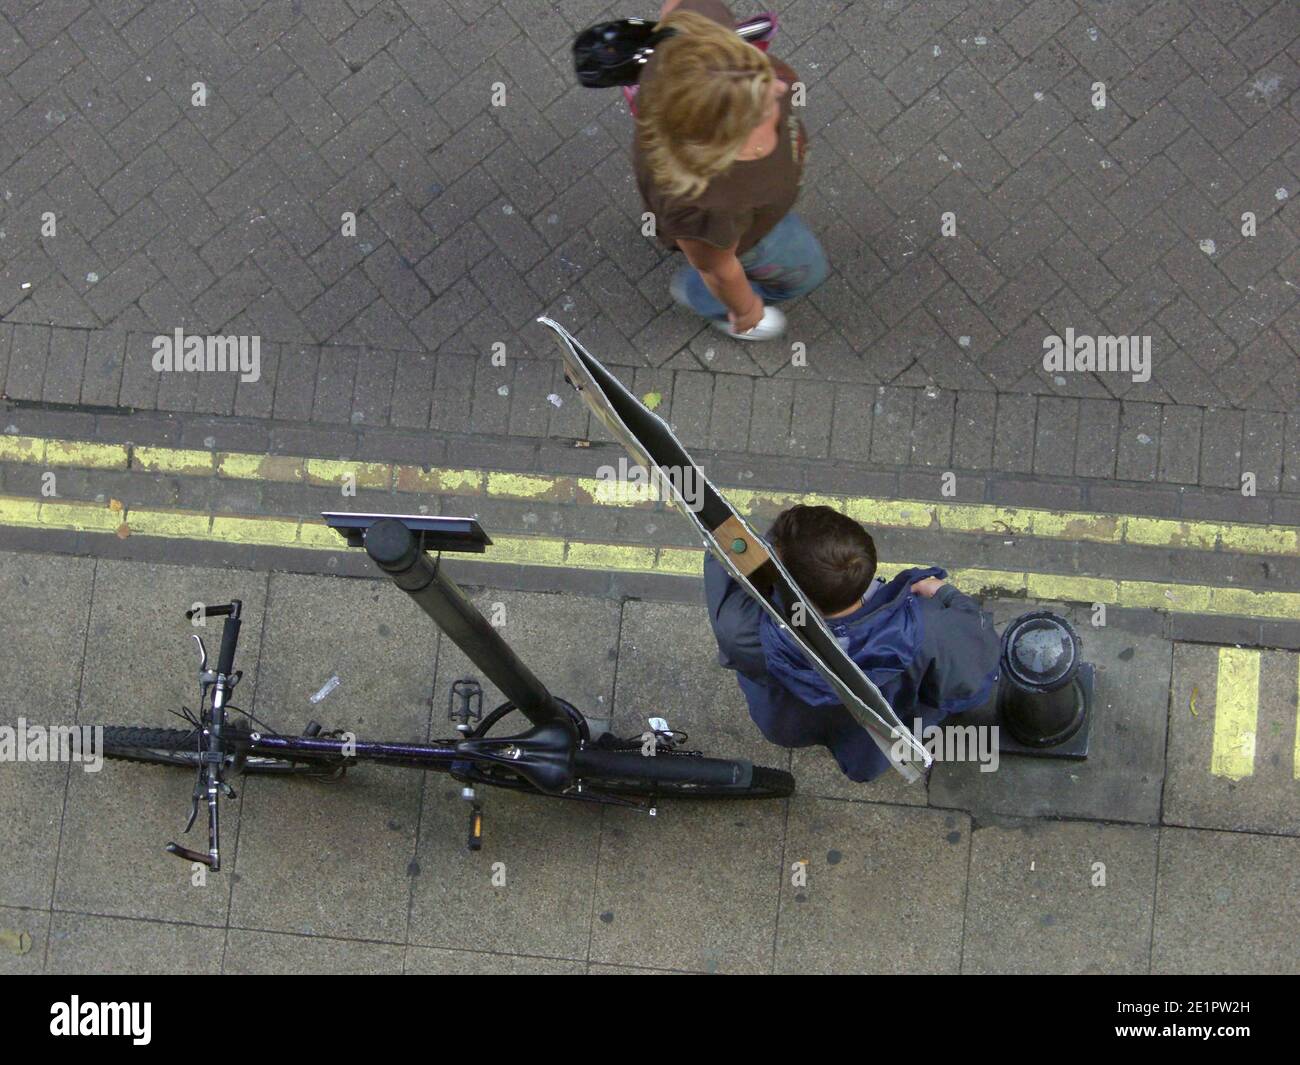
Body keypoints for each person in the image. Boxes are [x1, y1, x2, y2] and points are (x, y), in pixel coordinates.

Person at [704, 505, 1002, 781]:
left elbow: (725, 553)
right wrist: (947, 595)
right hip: (866, 740)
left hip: (785, 720)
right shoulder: (930, 629)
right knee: (861, 758)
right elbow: (972, 678)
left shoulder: (741, 629)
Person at [631, 0, 827, 341]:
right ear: (723, 139)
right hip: (753, 239)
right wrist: (746, 308)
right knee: (808, 272)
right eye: (762, 103)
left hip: (757, 215)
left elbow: (680, 7)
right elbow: (718, 268)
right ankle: (701, 298)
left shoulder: (698, 47)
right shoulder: (705, 203)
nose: (780, 88)